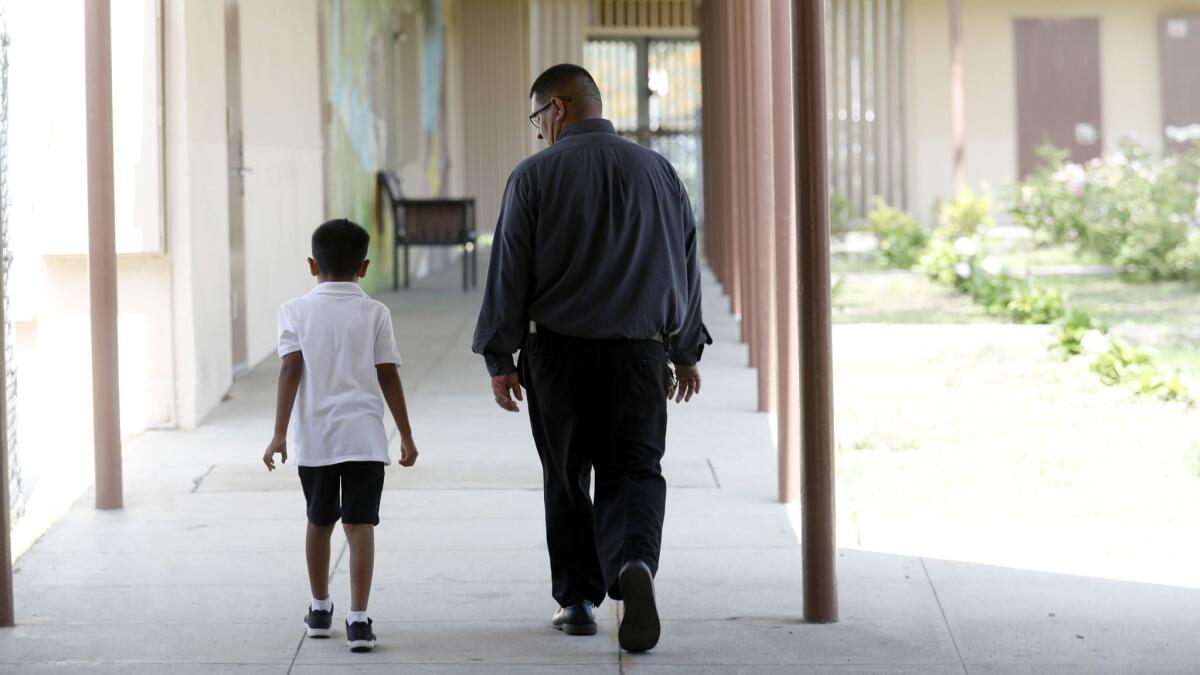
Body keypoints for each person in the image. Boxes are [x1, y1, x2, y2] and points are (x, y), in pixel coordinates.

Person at [472, 64, 710, 653]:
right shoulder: (659, 171)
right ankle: (634, 565)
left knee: (567, 474)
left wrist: (500, 355)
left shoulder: (533, 177)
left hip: (558, 355)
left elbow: (509, 271)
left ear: (558, 106)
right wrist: (684, 349)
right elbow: (684, 263)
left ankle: (577, 600)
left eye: (537, 117)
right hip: (638, 355)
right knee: (634, 470)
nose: (536, 132)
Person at [263, 218, 419, 653]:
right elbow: (388, 374)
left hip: (314, 440)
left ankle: (318, 608)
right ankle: (358, 619)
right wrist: (404, 433)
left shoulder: (294, 311)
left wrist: (278, 433)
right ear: (364, 267)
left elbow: (290, 371)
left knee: (319, 521)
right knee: (359, 524)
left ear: (313, 264)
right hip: (365, 439)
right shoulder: (375, 313)